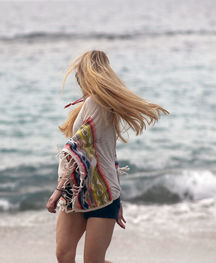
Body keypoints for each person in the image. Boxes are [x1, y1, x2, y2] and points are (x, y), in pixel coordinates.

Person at [46, 50, 169, 263]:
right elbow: (110, 156)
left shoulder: (96, 104)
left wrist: (57, 191)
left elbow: (77, 149)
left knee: (93, 261)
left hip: (100, 196)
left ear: (86, 76)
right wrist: (117, 194)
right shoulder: (94, 105)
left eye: (79, 78)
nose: (79, 83)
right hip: (78, 193)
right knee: (63, 254)